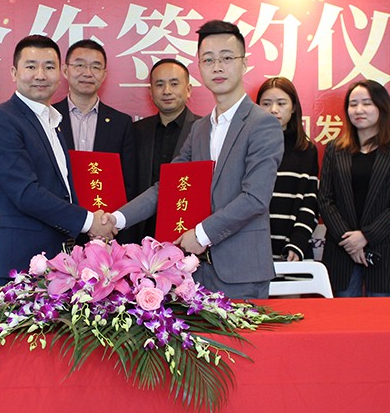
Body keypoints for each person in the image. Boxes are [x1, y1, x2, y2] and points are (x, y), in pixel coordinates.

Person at [111, 20, 283, 299]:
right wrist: (117, 219)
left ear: (244, 63)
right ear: (200, 67)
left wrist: (201, 234)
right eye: (208, 59)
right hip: (195, 272)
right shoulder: (200, 128)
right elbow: (168, 187)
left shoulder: (262, 124)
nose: (217, 67)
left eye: (227, 58)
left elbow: (255, 198)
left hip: (241, 272)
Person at [0, 35, 115, 287]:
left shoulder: (52, 120)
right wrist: (89, 222)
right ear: (14, 73)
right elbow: (25, 193)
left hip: (58, 261)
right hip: (18, 265)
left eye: (49, 67)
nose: (40, 75)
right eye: (31, 66)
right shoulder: (1, 120)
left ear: (60, 73)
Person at [319, 80, 390, 297]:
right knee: (344, 315)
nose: (359, 110)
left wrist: (366, 236)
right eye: (353, 104)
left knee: (379, 316)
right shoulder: (335, 149)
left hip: (383, 248)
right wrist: (350, 241)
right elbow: (325, 199)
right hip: (342, 249)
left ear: (382, 107)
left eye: (367, 103)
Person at [54, 39, 136, 198]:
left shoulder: (121, 123)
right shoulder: (49, 117)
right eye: (79, 65)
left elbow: (128, 183)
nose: (87, 73)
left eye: (96, 67)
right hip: (57, 210)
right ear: (64, 70)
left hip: (104, 210)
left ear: (104, 75)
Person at [131, 58, 199, 239]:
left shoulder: (204, 129)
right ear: (150, 92)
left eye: (174, 84)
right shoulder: (136, 131)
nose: (167, 91)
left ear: (188, 89)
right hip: (142, 233)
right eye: (159, 84)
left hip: (187, 234)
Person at [255, 76, 319, 261]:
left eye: (281, 103)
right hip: (253, 248)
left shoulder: (306, 150)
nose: (273, 110)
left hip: (292, 250)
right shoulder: (248, 147)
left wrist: (298, 242)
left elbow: (310, 201)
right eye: (266, 103)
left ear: (294, 107)